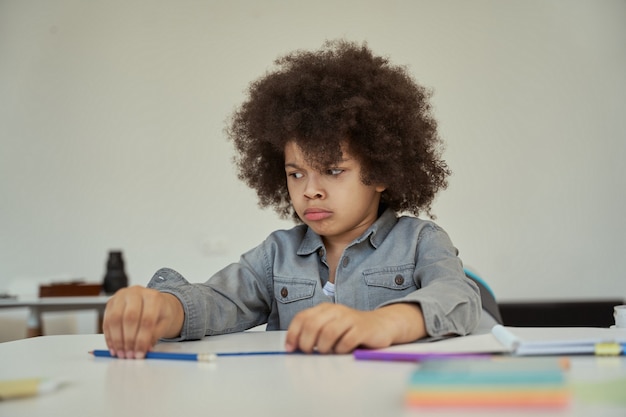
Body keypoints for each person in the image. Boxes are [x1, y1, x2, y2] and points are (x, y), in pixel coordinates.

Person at [103, 40, 481, 359]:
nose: (309, 190)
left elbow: (457, 297)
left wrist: (382, 322)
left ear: (381, 172)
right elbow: (218, 300)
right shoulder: (276, 256)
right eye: (296, 173)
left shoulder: (420, 242)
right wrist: (163, 309)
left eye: (333, 170)